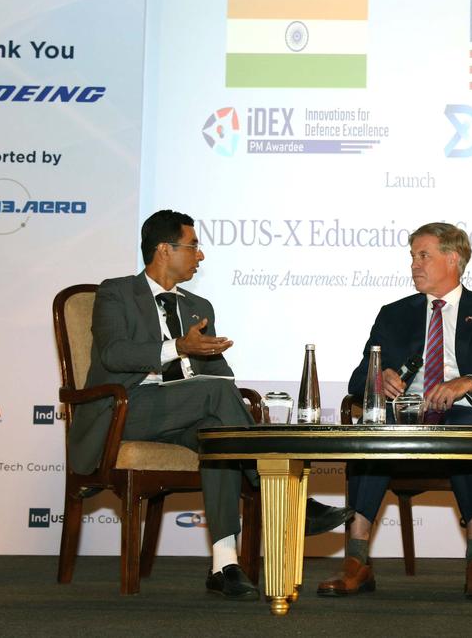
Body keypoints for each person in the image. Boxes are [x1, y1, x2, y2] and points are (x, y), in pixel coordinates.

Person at [67, 209, 352, 600]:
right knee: (216, 400)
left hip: (183, 413)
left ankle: (224, 564)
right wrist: (178, 347)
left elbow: (221, 377)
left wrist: (213, 368)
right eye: (193, 246)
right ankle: (284, 500)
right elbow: (114, 354)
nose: (200, 256)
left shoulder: (199, 306)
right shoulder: (116, 293)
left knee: (220, 439)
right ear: (164, 250)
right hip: (125, 410)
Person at [316, 222, 472, 600]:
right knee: (374, 428)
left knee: (467, 428)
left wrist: (467, 382)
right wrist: (379, 377)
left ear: (453, 258)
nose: (414, 264)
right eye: (412, 256)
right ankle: (356, 559)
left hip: (462, 412)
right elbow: (359, 378)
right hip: (403, 416)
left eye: (423, 255)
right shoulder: (394, 313)